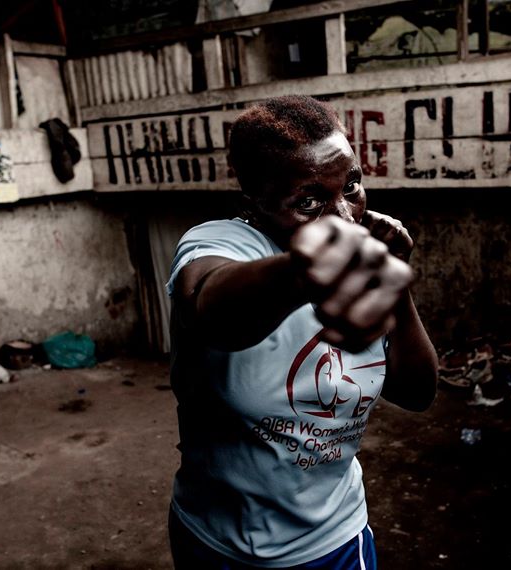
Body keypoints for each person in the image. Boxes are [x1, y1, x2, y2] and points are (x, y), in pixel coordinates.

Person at [166, 95, 438, 569]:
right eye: (308, 202)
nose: (342, 218)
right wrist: (308, 268)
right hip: (218, 541)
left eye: (351, 187)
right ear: (254, 200)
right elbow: (209, 308)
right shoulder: (223, 244)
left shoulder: (363, 254)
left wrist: (396, 281)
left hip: (333, 539)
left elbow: (417, 392)